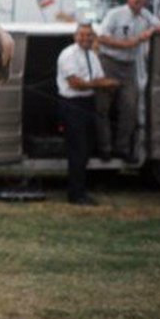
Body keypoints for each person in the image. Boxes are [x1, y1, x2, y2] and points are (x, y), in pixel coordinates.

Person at [97, 0, 160, 161]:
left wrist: (149, 31)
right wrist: (131, 43)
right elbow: (102, 38)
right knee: (103, 108)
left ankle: (122, 148)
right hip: (109, 62)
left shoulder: (145, 15)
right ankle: (104, 148)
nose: (138, 0)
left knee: (130, 108)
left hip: (129, 66)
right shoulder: (115, 14)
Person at [56, 22, 120, 205]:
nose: (86, 38)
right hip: (72, 104)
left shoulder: (92, 55)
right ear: (75, 37)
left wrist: (111, 84)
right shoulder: (68, 55)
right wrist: (103, 85)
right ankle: (75, 195)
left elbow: (98, 77)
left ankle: (82, 189)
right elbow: (75, 83)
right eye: (82, 35)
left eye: (89, 35)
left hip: (87, 103)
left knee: (86, 150)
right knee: (77, 150)